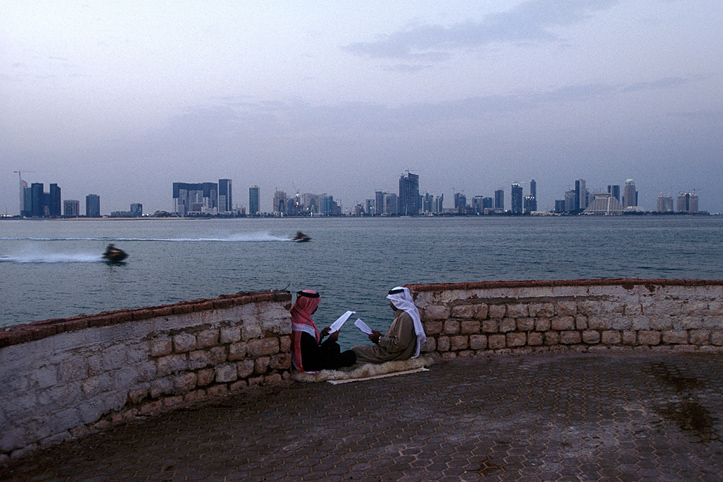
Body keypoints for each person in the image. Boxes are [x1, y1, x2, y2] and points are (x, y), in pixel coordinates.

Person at [352, 286, 427, 364]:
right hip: (392, 351)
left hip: (394, 354)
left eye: (392, 300)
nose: (391, 303)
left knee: (355, 351)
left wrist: (379, 339)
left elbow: (399, 344)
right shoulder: (404, 315)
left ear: (397, 301)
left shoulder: (405, 317)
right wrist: (380, 336)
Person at [290, 289, 356, 372]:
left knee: (335, 347)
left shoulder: (295, 318)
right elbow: (315, 354)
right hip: (309, 364)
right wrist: (330, 340)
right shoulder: (302, 330)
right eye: (314, 305)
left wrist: (321, 335)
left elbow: (310, 346)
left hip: (302, 358)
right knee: (350, 355)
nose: (316, 307)